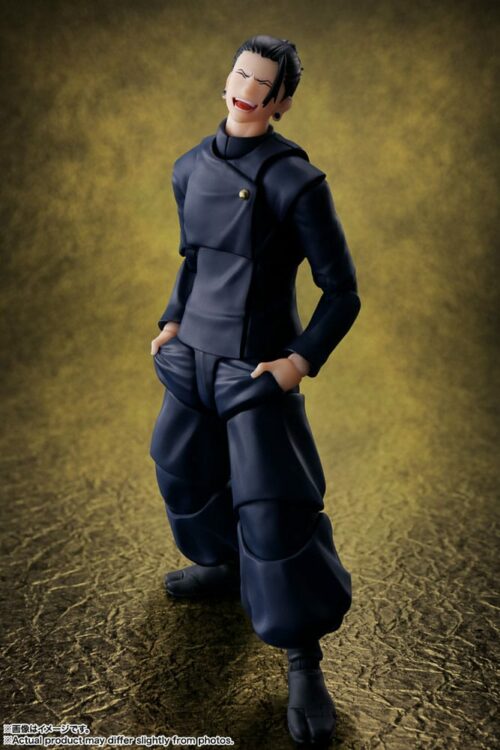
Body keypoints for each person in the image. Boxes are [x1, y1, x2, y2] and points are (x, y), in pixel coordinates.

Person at [150, 35, 361, 746]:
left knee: (274, 510)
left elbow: (342, 291)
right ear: (228, 79)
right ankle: (222, 565)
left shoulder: (295, 181)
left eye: (263, 84)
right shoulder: (189, 168)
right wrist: (172, 322)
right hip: (192, 357)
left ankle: (303, 660)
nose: (247, 89)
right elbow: (194, 258)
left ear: (282, 102)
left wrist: (297, 363)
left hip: (256, 366)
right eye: (241, 73)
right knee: (180, 469)